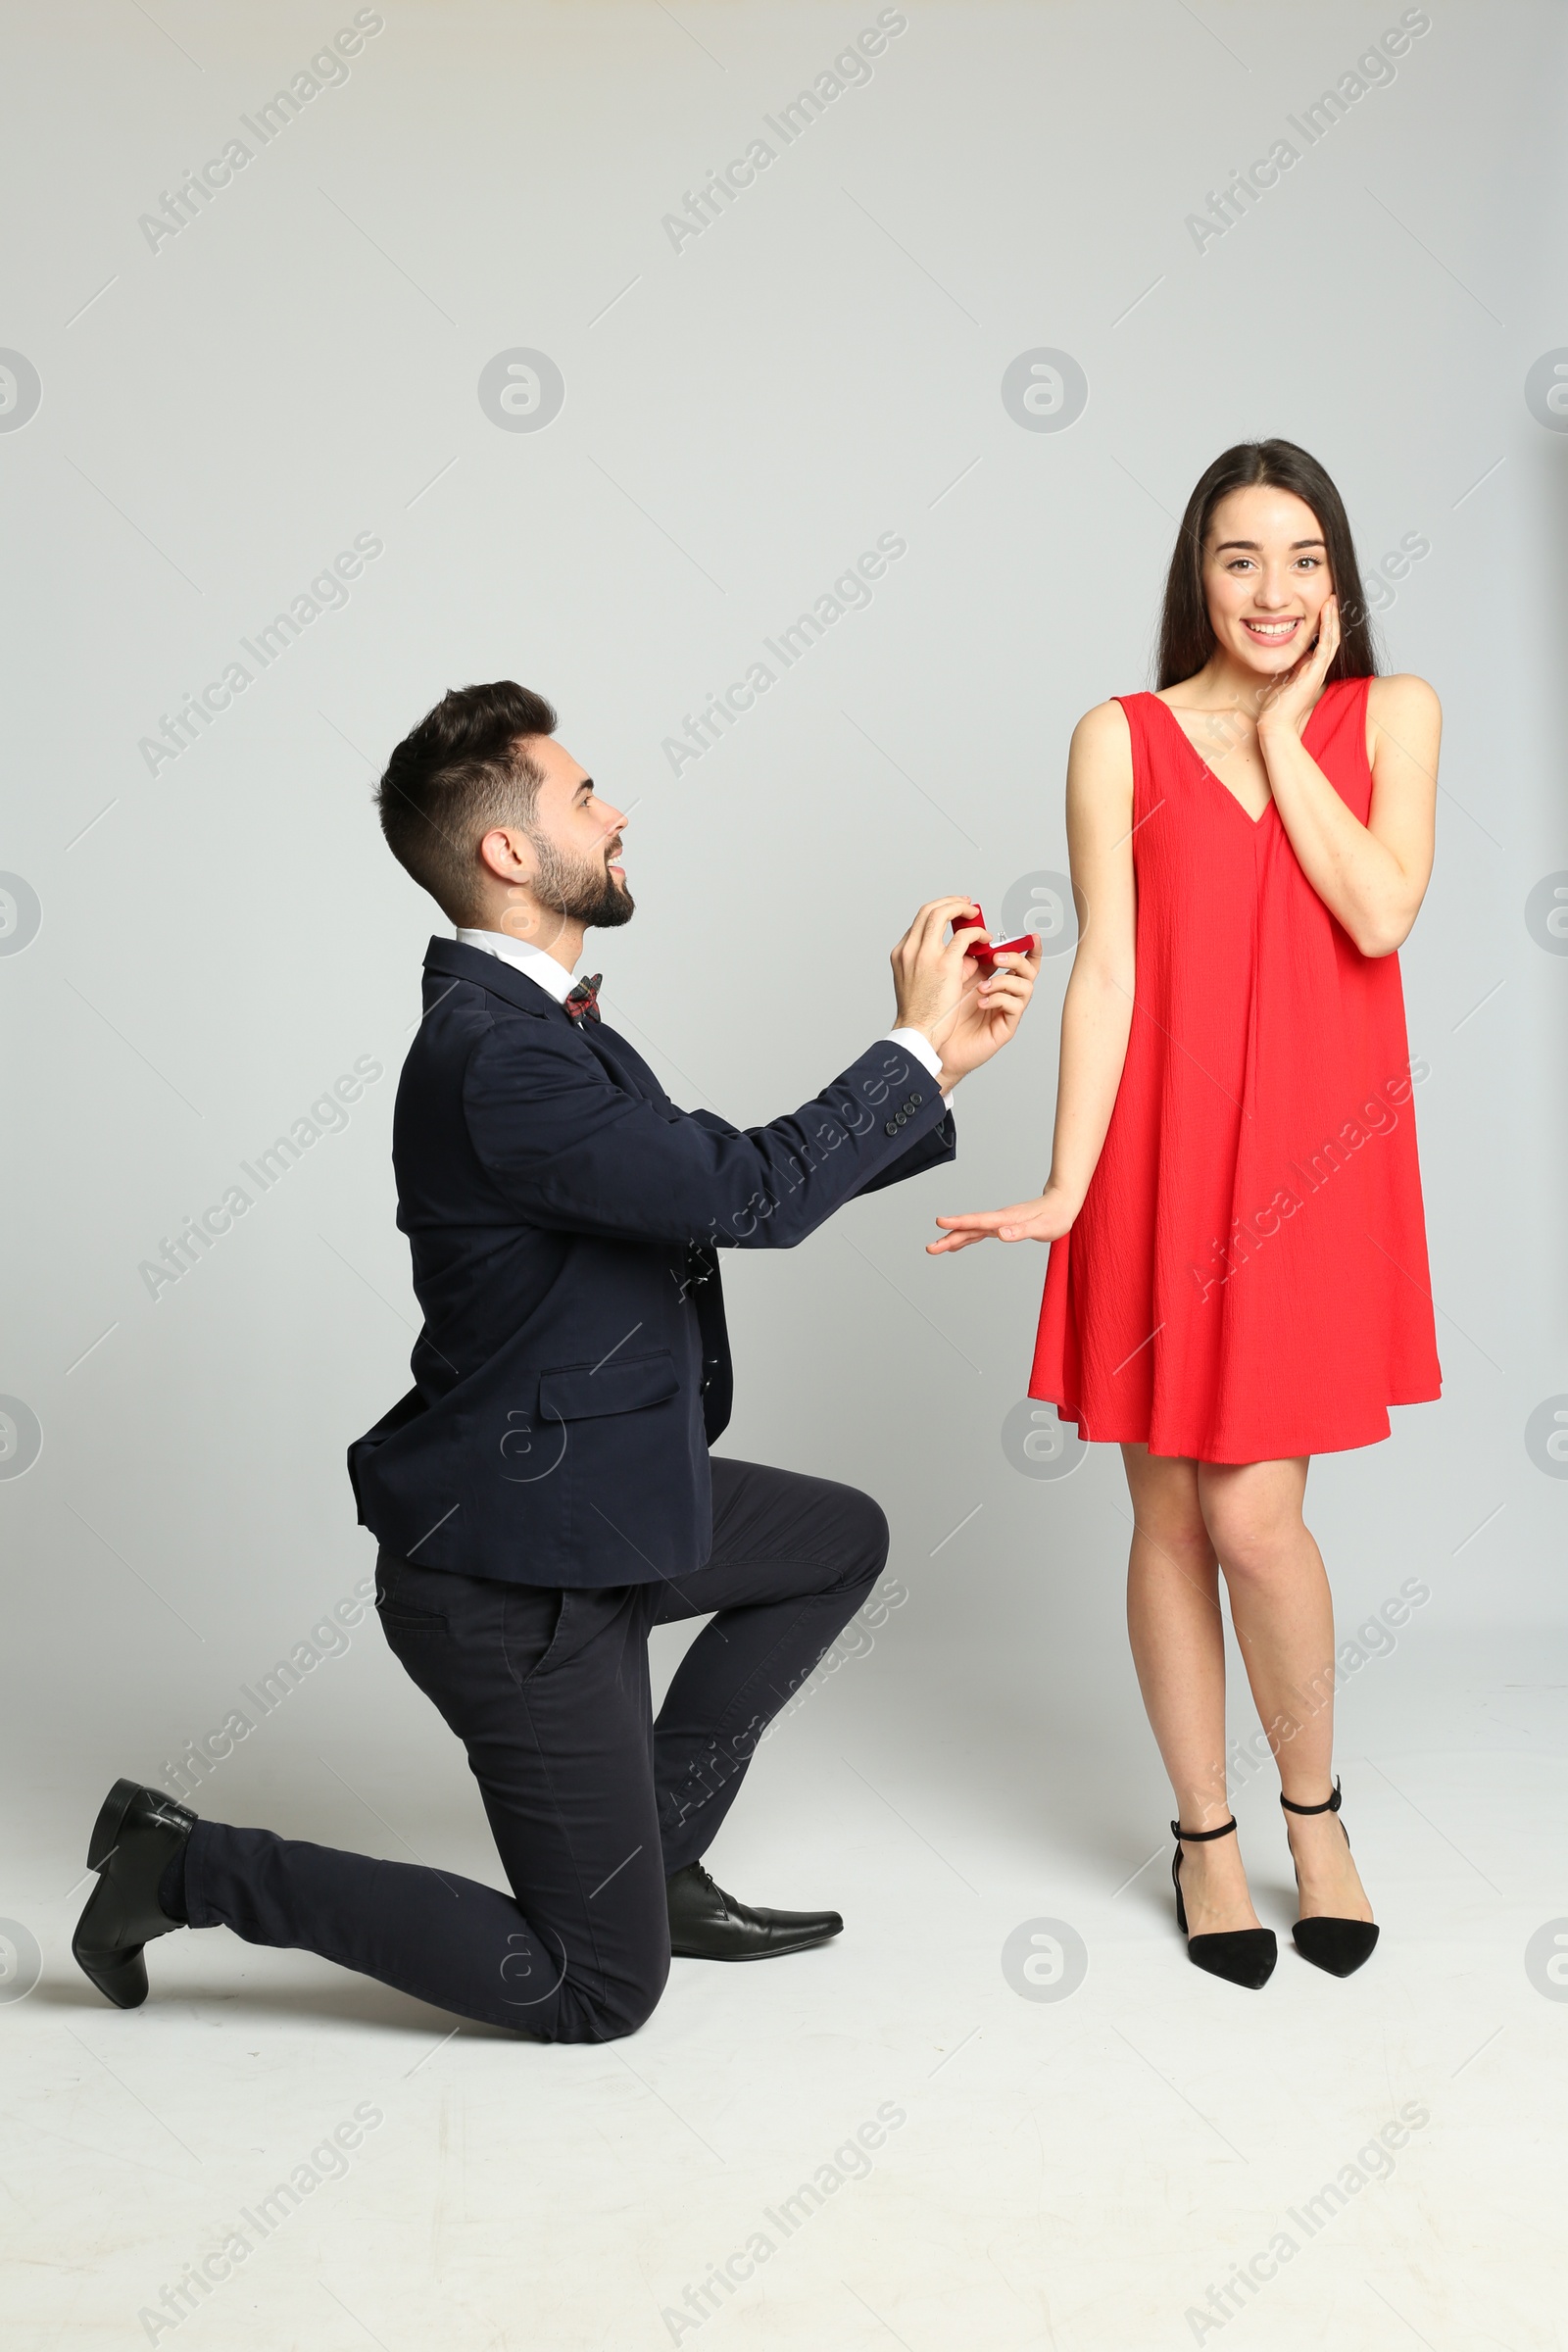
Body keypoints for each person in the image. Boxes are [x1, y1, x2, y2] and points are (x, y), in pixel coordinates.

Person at [73, 680, 1038, 2040]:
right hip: (514, 1578)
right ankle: (182, 1864)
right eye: (588, 795)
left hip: (604, 1497)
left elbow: (716, 1179)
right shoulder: (496, 1061)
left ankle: (657, 1857)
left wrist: (937, 1074)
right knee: (595, 1992)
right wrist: (911, 1045)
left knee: (835, 1539)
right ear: (511, 853)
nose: (619, 808)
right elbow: (750, 1193)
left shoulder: (548, 1034)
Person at [930, 441, 1441, 1987]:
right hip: (1157, 1158)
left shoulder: (1388, 717)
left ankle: (1317, 1815)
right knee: (1166, 1511)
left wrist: (1288, 734)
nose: (1271, 591)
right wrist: (1072, 1185)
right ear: (1196, 573)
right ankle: (1205, 1833)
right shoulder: (1119, 739)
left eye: (1300, 560)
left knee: (1255, 1518)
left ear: (1338, 579)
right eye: (1238, 558)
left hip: (1311, 1161)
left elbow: (1379, 908)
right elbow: (1109, 973)